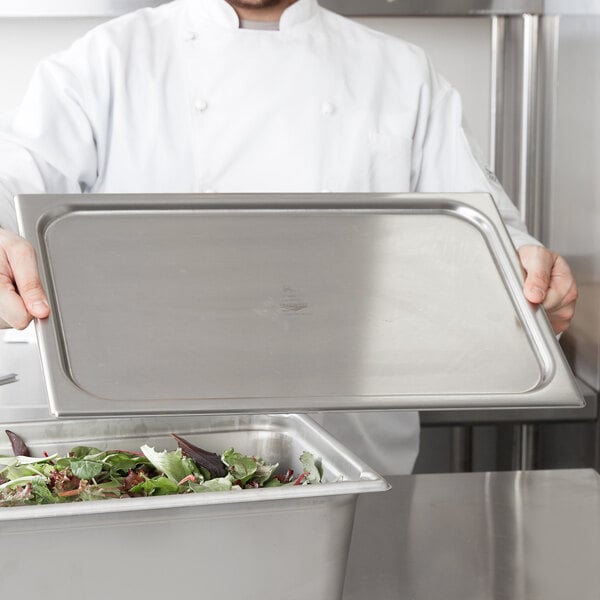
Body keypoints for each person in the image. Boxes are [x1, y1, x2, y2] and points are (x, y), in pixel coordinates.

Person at [0, 0, 578, 474]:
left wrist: (530, 279)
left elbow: (489, 238)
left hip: (350, 451)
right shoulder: (105, 61)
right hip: (143, 452)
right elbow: (13, 185)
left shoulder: (400, 72)